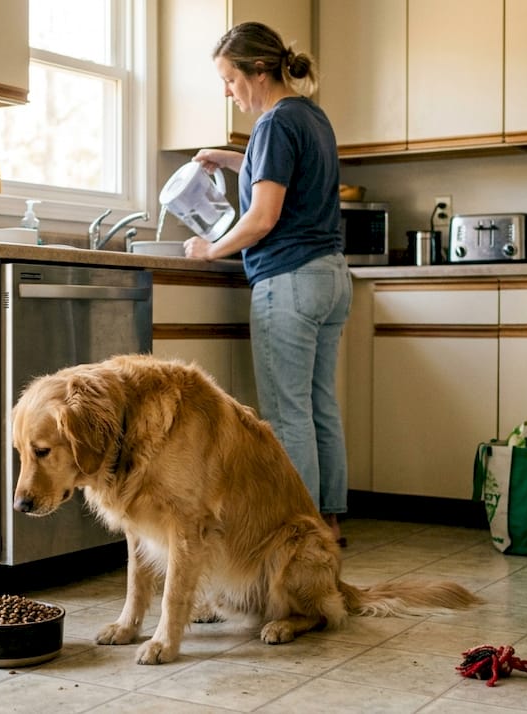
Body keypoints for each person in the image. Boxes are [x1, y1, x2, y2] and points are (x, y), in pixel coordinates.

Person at [183, 22, 352, 546]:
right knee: (320, 406)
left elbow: (262, 217)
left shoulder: (274, 124)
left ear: (259, 70)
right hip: (329, 277)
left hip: (290, 280)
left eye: (230, 80)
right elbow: (280, 175)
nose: (228, 93)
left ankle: (295, 531)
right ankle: (326, 523)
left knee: (287, 414)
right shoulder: (309, 116)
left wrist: (210, 248)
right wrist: (230, 159)